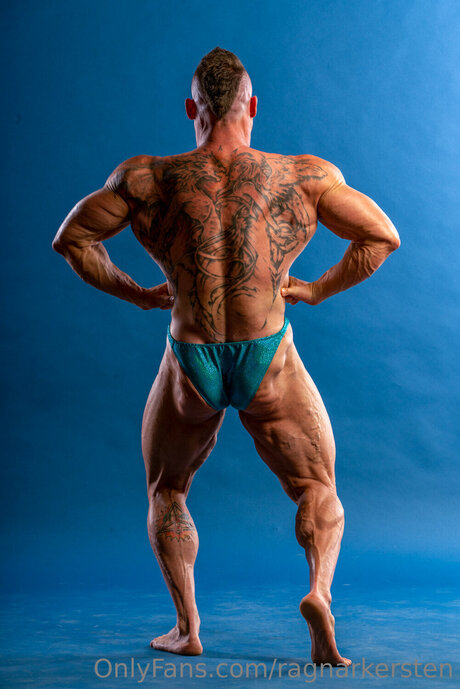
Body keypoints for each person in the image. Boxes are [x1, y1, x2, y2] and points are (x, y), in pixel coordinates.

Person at [52, 47, 400, 666]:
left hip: (191, 358)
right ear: (252, 107)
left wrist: (138, 295)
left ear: (193, 110)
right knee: (317, 485)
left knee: (167, 490)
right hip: (269, 356)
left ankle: (187, 628)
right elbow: (381, 236)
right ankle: (319, 594)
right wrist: (316, 290)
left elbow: (72, 239)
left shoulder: (146, 178)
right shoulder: (303, 176)